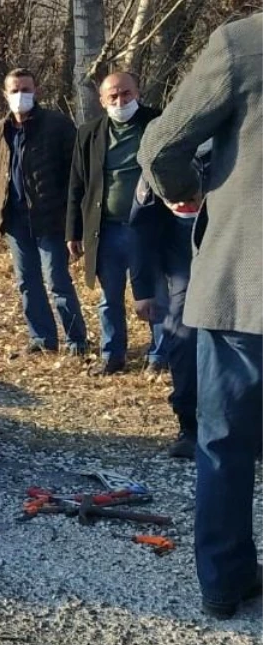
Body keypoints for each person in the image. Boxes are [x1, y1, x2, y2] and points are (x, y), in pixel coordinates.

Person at [138, 12, 263, 620]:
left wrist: (183, 190)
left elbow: (161, 144)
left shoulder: (244, 44)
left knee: (224, 443)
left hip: (245, 287)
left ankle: (224, 580)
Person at [66, 71, 164, 375]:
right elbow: (77, 185)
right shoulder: (89, 133)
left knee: (154, 294)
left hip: (149, 227)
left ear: (138, 92)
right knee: (109, 298)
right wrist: (74, 230)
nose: (121, 100)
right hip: (106, 229)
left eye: (126, 94)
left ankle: (160, 356)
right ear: (102, 100)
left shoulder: (157, 124)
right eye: (113, 96)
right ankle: (113, 355)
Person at [0, 68, 88, 355]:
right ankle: (42, 339)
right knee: (27, 283)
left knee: (57, 281)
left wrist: (74, 222)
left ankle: (76, 340)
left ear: (37, 91)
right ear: (5, 95)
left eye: (26, 89)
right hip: (15, 221)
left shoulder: (57, 125)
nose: (21, 95)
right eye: (15, 90)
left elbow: (75, 175)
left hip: (50, 220)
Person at [127, 170, 198, 458]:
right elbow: (141, 228)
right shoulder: (162, 152)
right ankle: (190, 427)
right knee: (183, 338)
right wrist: (143, 289)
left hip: (238, 254)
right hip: (182, 258)